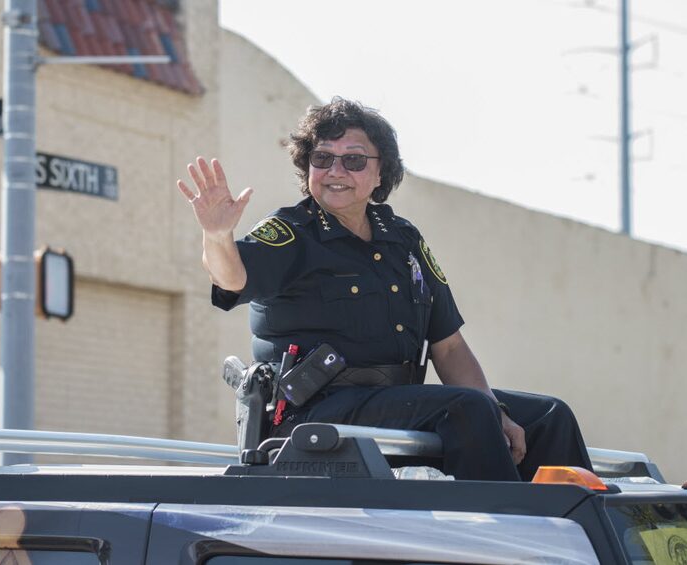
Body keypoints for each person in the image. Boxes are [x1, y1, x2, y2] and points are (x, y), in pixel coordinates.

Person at [176, 97, 591, 481]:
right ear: (308, 169)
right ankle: (508, 538)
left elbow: (448, 347)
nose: (336, 171)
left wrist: (498, 410)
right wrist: (217, 235)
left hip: (396, 402)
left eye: (353, 160)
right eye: (323, 159)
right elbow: (231, 277)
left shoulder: (402, 239)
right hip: (317, 413)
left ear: (380, 173)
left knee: (548, 416)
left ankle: (576, 539)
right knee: (466, 408)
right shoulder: (291, 231)